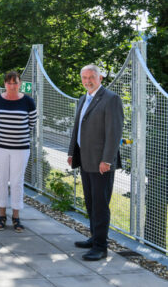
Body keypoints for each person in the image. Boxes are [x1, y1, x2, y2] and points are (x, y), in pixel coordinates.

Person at [68, 64, 123, 261]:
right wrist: (71, 152)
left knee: (100, 205)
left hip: (102, 163)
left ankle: (101, 247)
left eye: (91, 77)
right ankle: (94, 237)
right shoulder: (84, 98)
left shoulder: (111, 99)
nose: (87, 81)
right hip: (85, 159)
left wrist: (107, 160)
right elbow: (77, 128)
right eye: (84, 77)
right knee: (91, 202)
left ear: (100, 78)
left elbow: (114, 133)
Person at [0, 71, 37, 232]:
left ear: (20, 83)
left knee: (17, 181)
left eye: (15, 83)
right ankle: (1, 215)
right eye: (9, 83)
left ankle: (16, 216)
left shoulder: (28, 101)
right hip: (0, 147)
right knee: (1, 180)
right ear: (4, 84)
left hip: (20, 149)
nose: (12, 86)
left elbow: (31, 123)